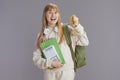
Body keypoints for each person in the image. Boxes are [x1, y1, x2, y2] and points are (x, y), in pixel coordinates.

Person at [33, 3, 89, 80]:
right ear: (45, 15)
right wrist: (50, 63)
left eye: (55, 12)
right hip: (50, 75)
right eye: (50, 12)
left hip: (67, 72)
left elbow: (84, 41)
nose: (53, 15)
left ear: (58, 14)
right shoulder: (41, 35)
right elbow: (36, 58)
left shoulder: (66, 29)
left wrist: (77, 26)